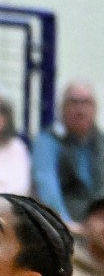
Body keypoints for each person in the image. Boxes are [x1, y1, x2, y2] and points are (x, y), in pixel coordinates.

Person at [32, 80, 103, 229]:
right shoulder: (47, 141)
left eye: (86, 103)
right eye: (74, 102)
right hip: (65, 225)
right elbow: (47, 185)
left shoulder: (100, 141)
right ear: (61, 108)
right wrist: (65, 223)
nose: (80, 109)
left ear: (95, 108)